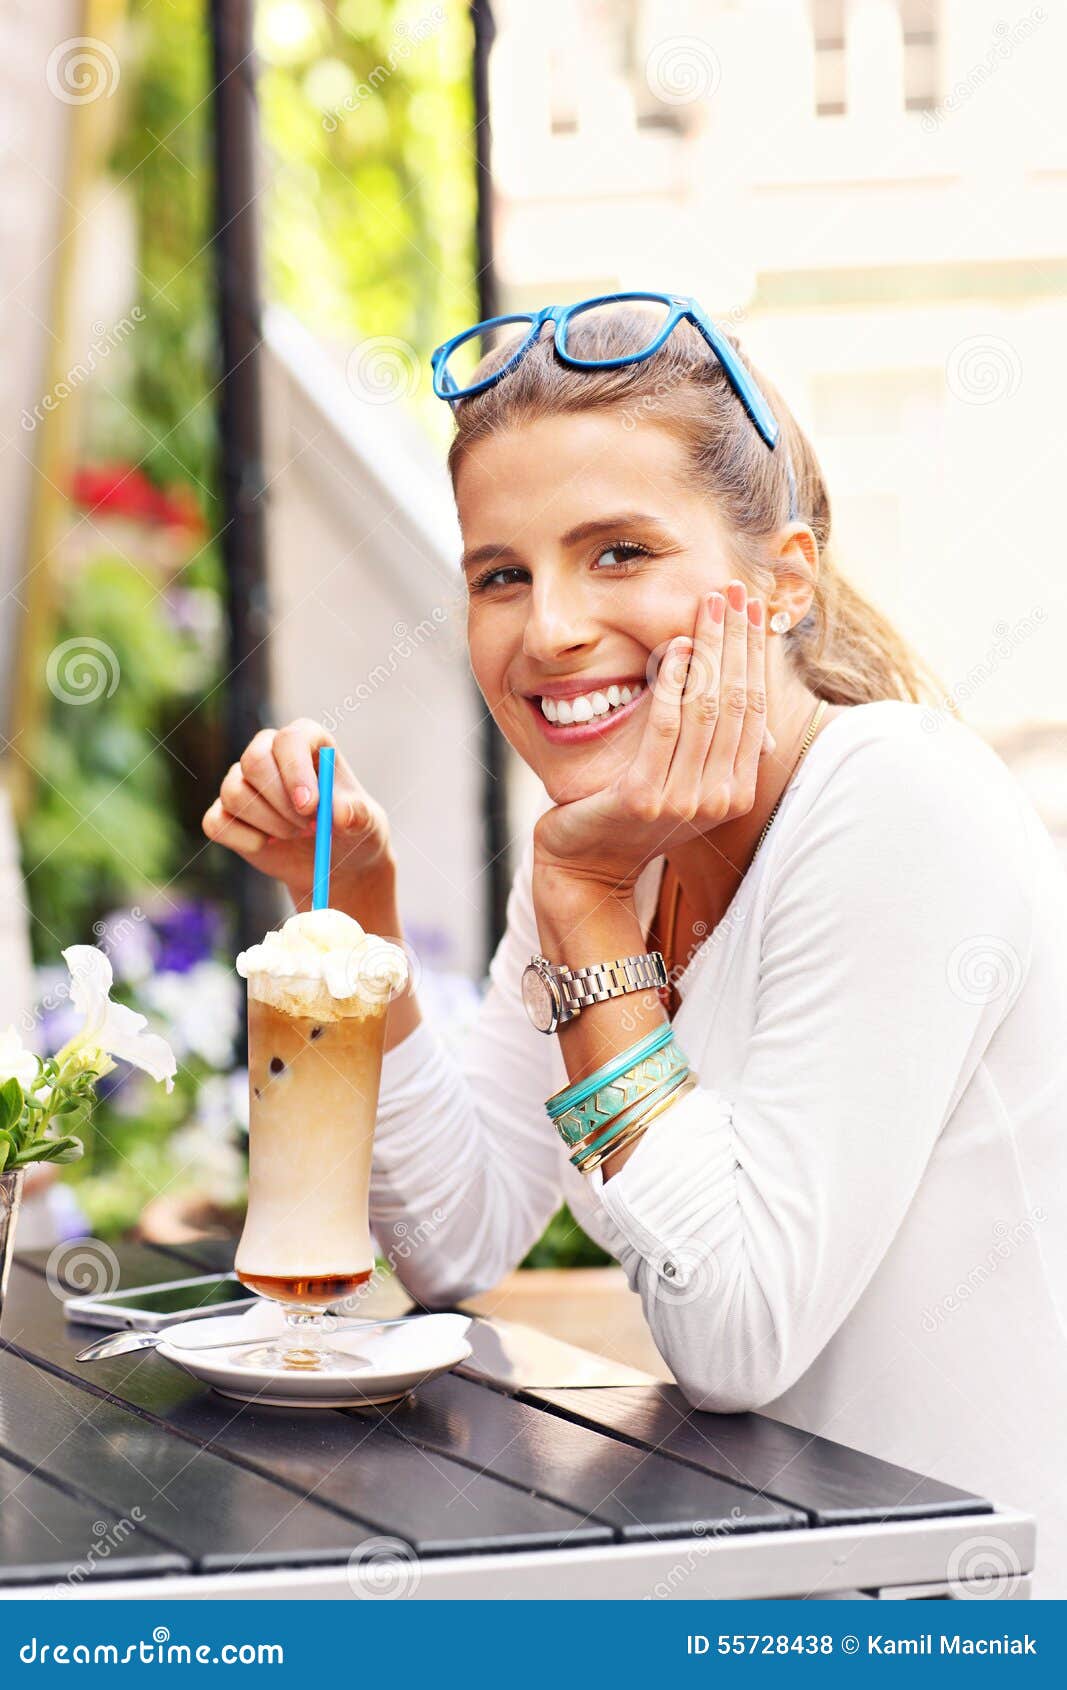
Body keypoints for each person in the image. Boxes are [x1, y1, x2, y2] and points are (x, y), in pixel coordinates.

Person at [204, 296, 1067, 1594]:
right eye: (501, 571)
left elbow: (735, 1334)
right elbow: (459, 1230)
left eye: (617, 550)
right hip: (769, 1583)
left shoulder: (894, 799)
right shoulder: (613, 845)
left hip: (965, 1615)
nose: (547, 625)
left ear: (784, 581)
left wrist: (590, 915)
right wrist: (362, 914)